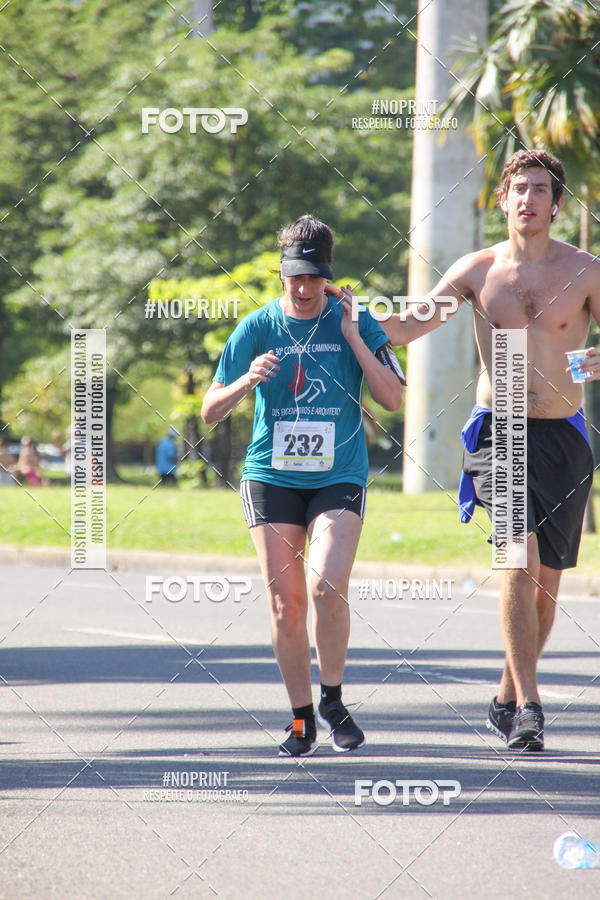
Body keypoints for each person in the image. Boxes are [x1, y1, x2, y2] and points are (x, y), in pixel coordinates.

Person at [382, 149, 600, 751]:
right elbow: (408, 325)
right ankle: (531, 706)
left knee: (547, 585)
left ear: (557, 205)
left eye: (539, 190)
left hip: (565, 436)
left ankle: (507, 693)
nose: (527, 199)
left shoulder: (586, 270)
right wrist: (348, 319)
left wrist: (581, 365)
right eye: (518, 189)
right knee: (517, 560)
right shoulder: (478, 271)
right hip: (499, 430)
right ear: (501, 200)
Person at [201, 215, 404, 756]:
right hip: (271, 476)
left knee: (325, 587)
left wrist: (355, 336)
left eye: (315, 277)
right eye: (295, 277)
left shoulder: (354, 320)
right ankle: (300, 719)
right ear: (282, 273)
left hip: (338, 474)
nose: (305, 287)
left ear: (328, 275)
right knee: (287, 604)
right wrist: (248, 379)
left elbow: (393, 398)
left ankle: (333, 699)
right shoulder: (256, 326)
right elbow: (208, 412)